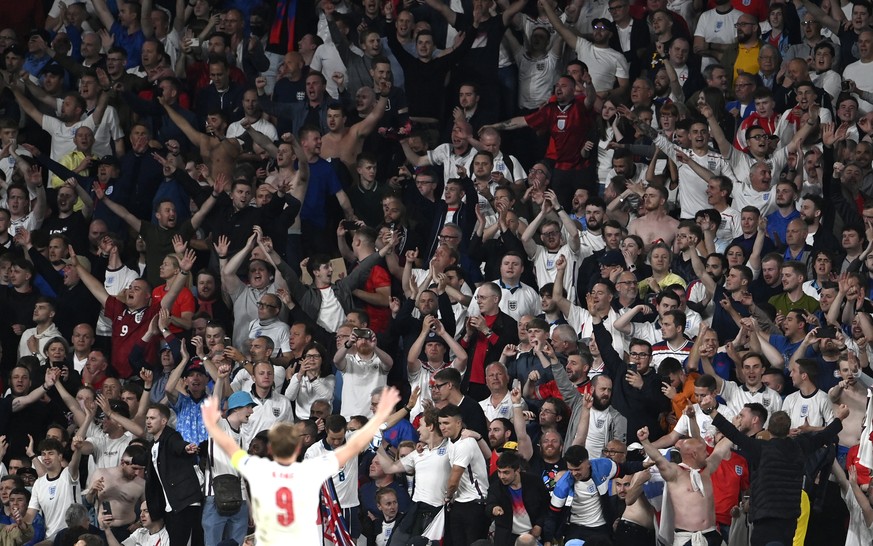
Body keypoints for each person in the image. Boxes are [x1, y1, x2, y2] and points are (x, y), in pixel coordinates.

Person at [201, 386, 401, 545]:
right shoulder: (312, 453)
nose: (252, 412)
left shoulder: (245, 437)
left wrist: (403, 409)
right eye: (249, 408)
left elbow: (377, 427)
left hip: (345, 507)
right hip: (218, 496)